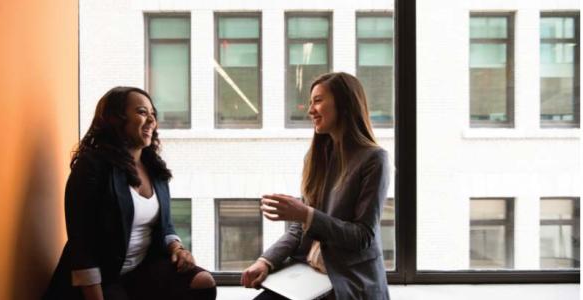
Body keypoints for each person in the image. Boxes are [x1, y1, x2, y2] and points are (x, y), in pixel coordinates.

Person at [43, 87, 216, 300]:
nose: (152, 121)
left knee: (202, 283)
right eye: (142, 112)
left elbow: (165, 224)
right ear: (115, 119)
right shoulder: (92, 166)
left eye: (153, 114)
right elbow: (82, 244)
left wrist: (177, 247)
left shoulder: (155, 168)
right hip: (102, 279)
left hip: (141, 271)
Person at [241, 72, 391, 299]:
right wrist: (266, 261)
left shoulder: (374, 159)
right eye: (311, 102)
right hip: (309, 272)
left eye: (318, 101)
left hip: (348, 277)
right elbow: (300, 227)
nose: (310, 110)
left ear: (344, 103)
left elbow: (362, 236)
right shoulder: (318, 156)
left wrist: (307, 214)